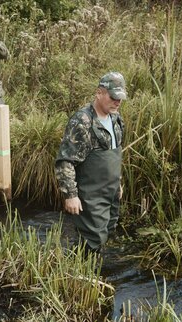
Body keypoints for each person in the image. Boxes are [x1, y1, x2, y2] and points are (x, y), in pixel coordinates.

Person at [55, 71, 127, 254]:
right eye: (113, 97)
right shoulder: (82, 122)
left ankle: (95, 272)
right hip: (90, 195)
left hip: (110, 193)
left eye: (120, 98)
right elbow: (65, 161)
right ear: (99, 93)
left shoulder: (117, 120)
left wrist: (118, 184)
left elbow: (115, 156)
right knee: (91, 240)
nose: (117, 102)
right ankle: (82, 276)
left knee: (107, 231)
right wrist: (70, 195)